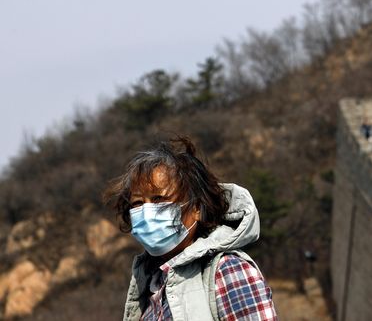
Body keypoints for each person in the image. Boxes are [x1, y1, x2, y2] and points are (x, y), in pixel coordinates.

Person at [105, 136, 278, 320]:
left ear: (196, 207)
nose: (147, 211)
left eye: (159, 199)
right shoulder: (149, 286)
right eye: (138, 203)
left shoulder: (227, 269)